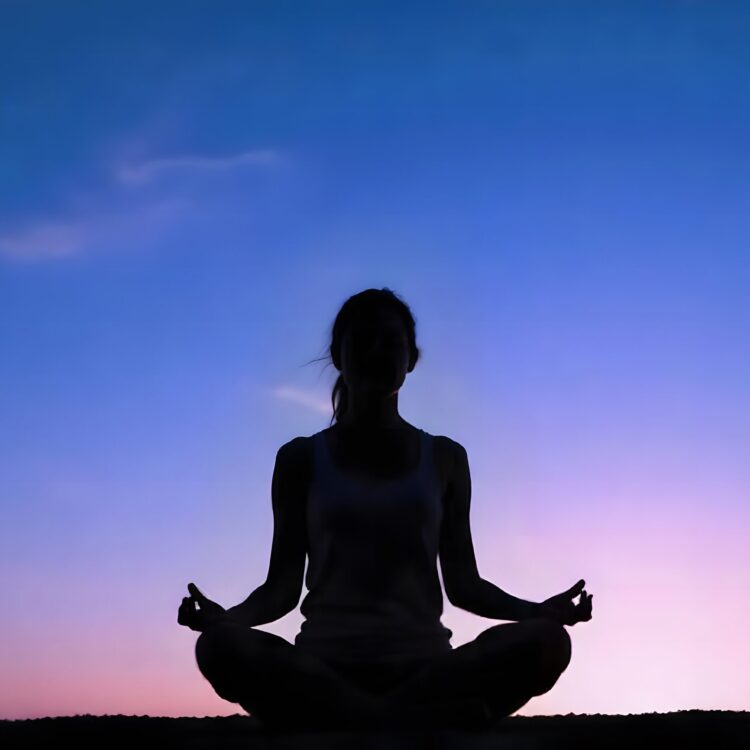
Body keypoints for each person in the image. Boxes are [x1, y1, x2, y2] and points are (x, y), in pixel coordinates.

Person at [177, 287, 594, 733]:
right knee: (218, 647)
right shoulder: (298, 459)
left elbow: (464, 584)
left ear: (411, 358)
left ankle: (358, 723)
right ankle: (399, 724)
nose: (376, 351)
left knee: (550, 642)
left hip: (427, 670)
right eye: (362, 340)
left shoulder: (446, 458)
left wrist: (538, 613)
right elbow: (281, 589)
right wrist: (225, 621)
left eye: (390, 341)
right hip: (322, 669)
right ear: (338, 355)